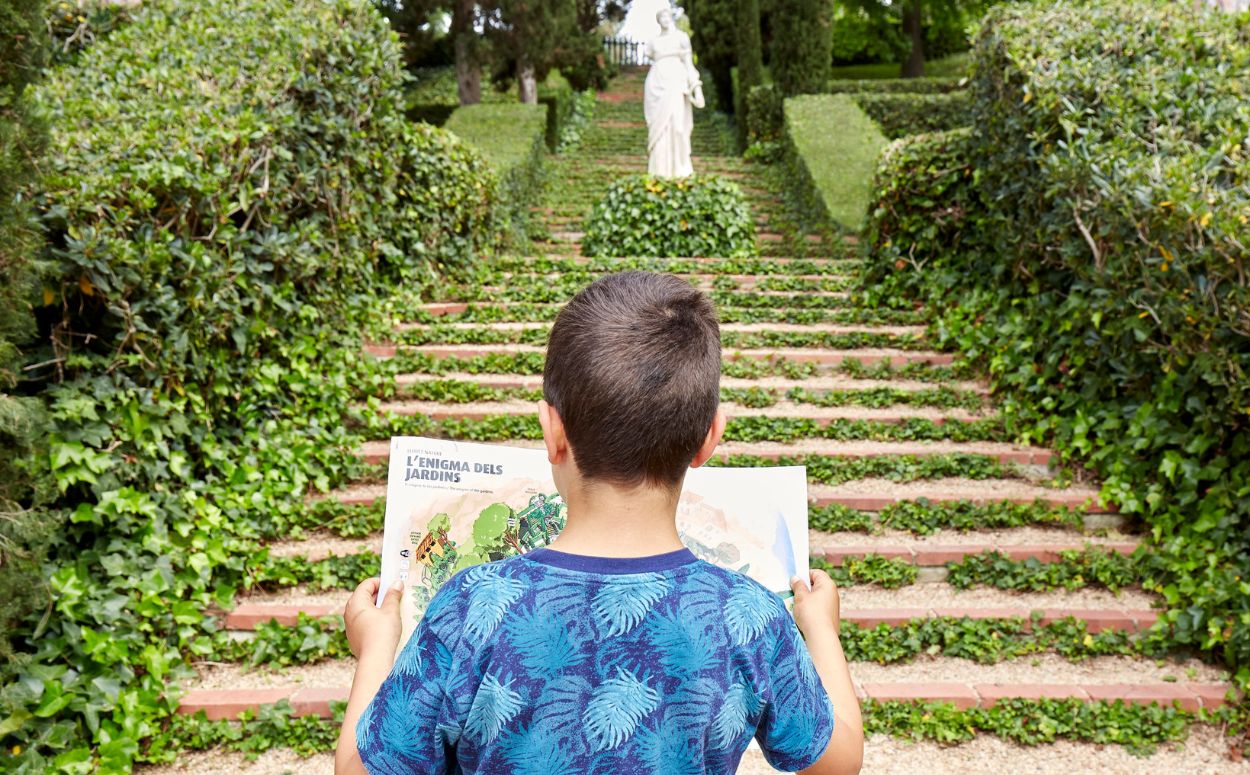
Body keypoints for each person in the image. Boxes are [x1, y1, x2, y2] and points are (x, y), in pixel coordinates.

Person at [334, 271, 864, 775]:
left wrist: (378, 642)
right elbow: (838, 761)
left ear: (552, 430)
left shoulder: (473, 605)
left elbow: (360, 769)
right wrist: (820, 627)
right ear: (709, 437)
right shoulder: (748, 614)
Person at [644, 7, 704, 178]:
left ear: (671, 17)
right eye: (660, 16)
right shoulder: (653, 42)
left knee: (678, 127)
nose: (664, 18)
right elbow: (650, 56)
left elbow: (689, 65)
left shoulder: (681, 38)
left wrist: (697, 88)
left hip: (676, 81)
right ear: (658, 20)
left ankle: (681, 171)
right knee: (659, 130)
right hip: (656, 84)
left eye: (666, 15)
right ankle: (658, 172)